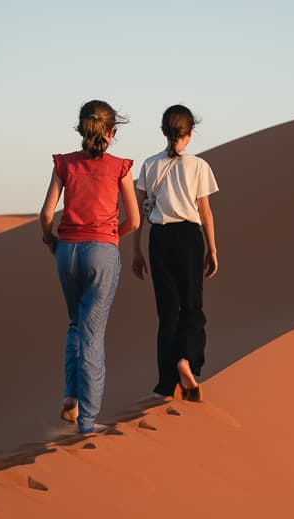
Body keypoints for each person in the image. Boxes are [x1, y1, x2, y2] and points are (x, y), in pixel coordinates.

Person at [40, 99, 140, 434]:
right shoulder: (119, 167)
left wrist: (49, 239)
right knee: (93, 336)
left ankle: (71, 396)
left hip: (67, 251)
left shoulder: (64, 165)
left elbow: (45, 214)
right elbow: (134, 219)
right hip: (101, 251)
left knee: (75, 325)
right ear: (112, 132)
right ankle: (87, 423)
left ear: (81, 128)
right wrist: (113, 238)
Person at [131, 105, 219, 402]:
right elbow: (204, 211)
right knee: (192, 306)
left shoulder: (149, 165)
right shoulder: (198, 166)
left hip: (160, 240)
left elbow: (139, 213)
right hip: (189, 238)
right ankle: (187, 361)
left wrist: (136, 250)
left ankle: (165, 384)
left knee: (167, 311)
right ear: (190, 133)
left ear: (163, 131)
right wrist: (212, 249)